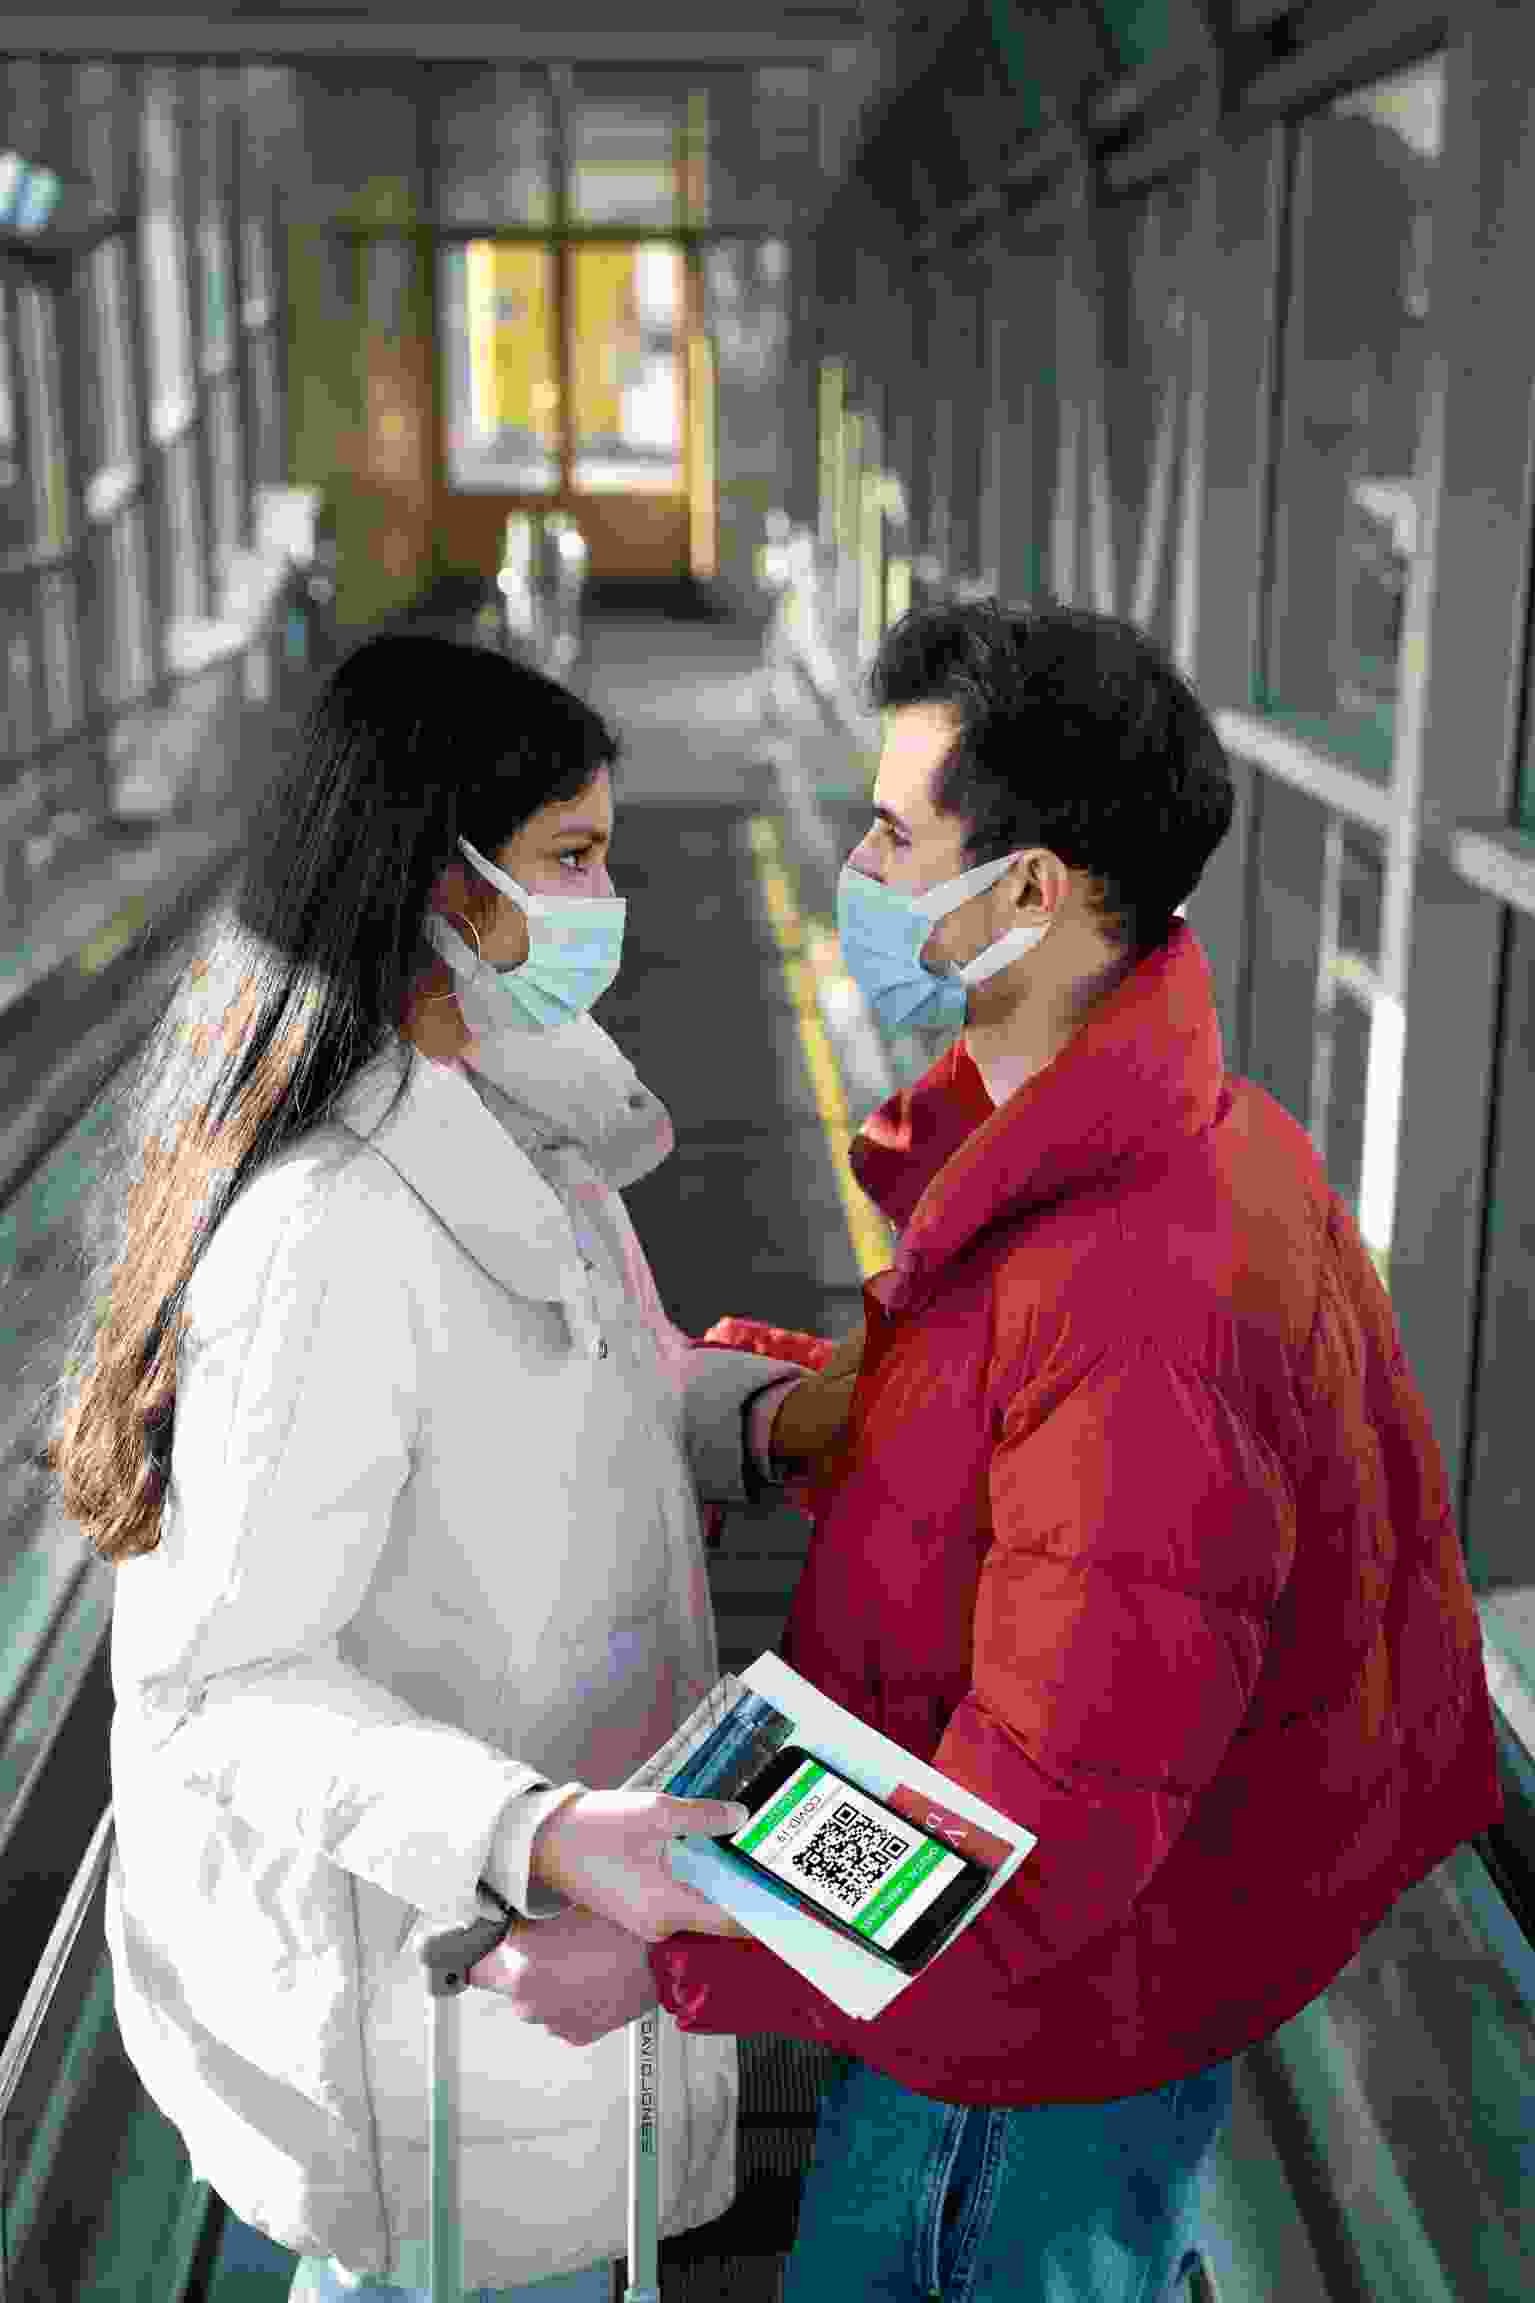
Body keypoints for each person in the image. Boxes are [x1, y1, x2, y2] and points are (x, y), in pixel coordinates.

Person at [535, 599, 1505, 2303]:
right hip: (1126, 1973)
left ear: (1033, 892)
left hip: (1034, 2051)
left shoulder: (1138, 1294)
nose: (860, 869)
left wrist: (675, 1942)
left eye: (895, 839)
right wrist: (763, 1412)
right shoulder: (1161, 1136)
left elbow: (1018, 1856)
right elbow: (1007, 1452)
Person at [48, 632, 857, 2300]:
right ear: (439, 885)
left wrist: (762, 1423)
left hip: (527, 1984)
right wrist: (532, 1832)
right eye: (572, 858)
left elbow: (588, 1403)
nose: (605, 901)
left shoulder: (512, 1129)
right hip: (433, 2012)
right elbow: (218, 1689)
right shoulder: (326, 1232)